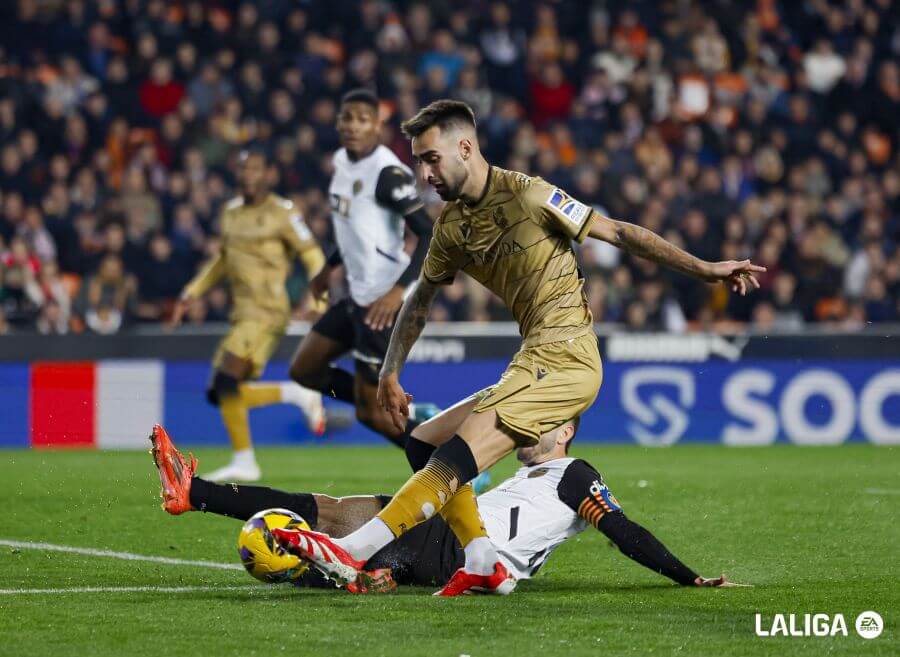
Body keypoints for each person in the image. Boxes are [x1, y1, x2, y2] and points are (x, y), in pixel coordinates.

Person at [270, 99, 765, 595]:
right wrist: (390, 371)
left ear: (465, 147)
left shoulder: (530, 196)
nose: (424, 173)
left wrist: (705, 269)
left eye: (431, 158)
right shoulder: (451, 228)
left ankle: (352, 550)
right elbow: (419, 301)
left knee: (454, 457)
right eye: (418, 161)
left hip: (568, 355)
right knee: (425, 443)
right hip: (534, 356)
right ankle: (482, 556)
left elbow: (617, 232)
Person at [149, 423, 741, 593]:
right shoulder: (527, 473)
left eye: (545, 424)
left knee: (328, 518)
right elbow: (425, 449)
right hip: (449, 540)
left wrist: (686, 577)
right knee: (331, 513)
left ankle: (195, 495)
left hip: (455, 548)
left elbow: (622, 529)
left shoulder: (574, 474)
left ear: (567, 432)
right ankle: (367, 574)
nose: (530, 430)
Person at [286, 90, 480, 478]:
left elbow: (429, 235)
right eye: (347, 117)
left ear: (378, 125)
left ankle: (448, 463)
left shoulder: (387, 175)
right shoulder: (342, 163)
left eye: (362, 118)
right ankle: (394, 407)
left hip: (382, 302)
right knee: (305, 369)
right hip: (355, 295)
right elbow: (352, 230)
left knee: (372, 415)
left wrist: (397, 292)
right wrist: (328, 269)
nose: (353, 125)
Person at [171, 148, 327, 482]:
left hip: (268, 312)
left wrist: (319, 298)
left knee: (226, 380)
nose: (248, 175)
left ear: (268, 173)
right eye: (243, 169)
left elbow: (313, 256)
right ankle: (290, 402)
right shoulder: (230, 213)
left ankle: (246, 459)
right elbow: (223, 262)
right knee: (222, 390)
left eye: (255, 168)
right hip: (242, 313)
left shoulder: (283, 213)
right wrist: (192, 292)